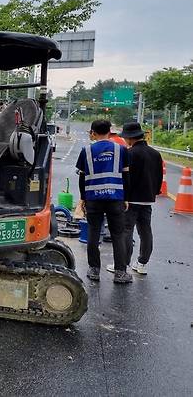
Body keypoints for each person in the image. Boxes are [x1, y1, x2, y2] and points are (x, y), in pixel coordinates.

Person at [76, 119, 132, 283]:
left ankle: (94, 270)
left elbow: (81, 178)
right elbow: (126, 176)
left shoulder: (86, 150)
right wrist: (126, 197)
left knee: (94, 232)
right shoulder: (121, 149)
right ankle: (120, 273)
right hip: (115, 198)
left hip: (93, 199)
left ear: (93, 132)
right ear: (110, 131)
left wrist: (83, 198)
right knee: (118, 234)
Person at [111, 122, 163, 275]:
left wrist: (122, 196)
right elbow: (159, 176)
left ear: (129, 138)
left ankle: (123, 264)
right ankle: (142, 264)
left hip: (131, 199)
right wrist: (153, 192)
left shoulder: (130, 153)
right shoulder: (155, 153)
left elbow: (126, 177)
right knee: (145, 231)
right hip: (148, 199)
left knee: (126, 231)